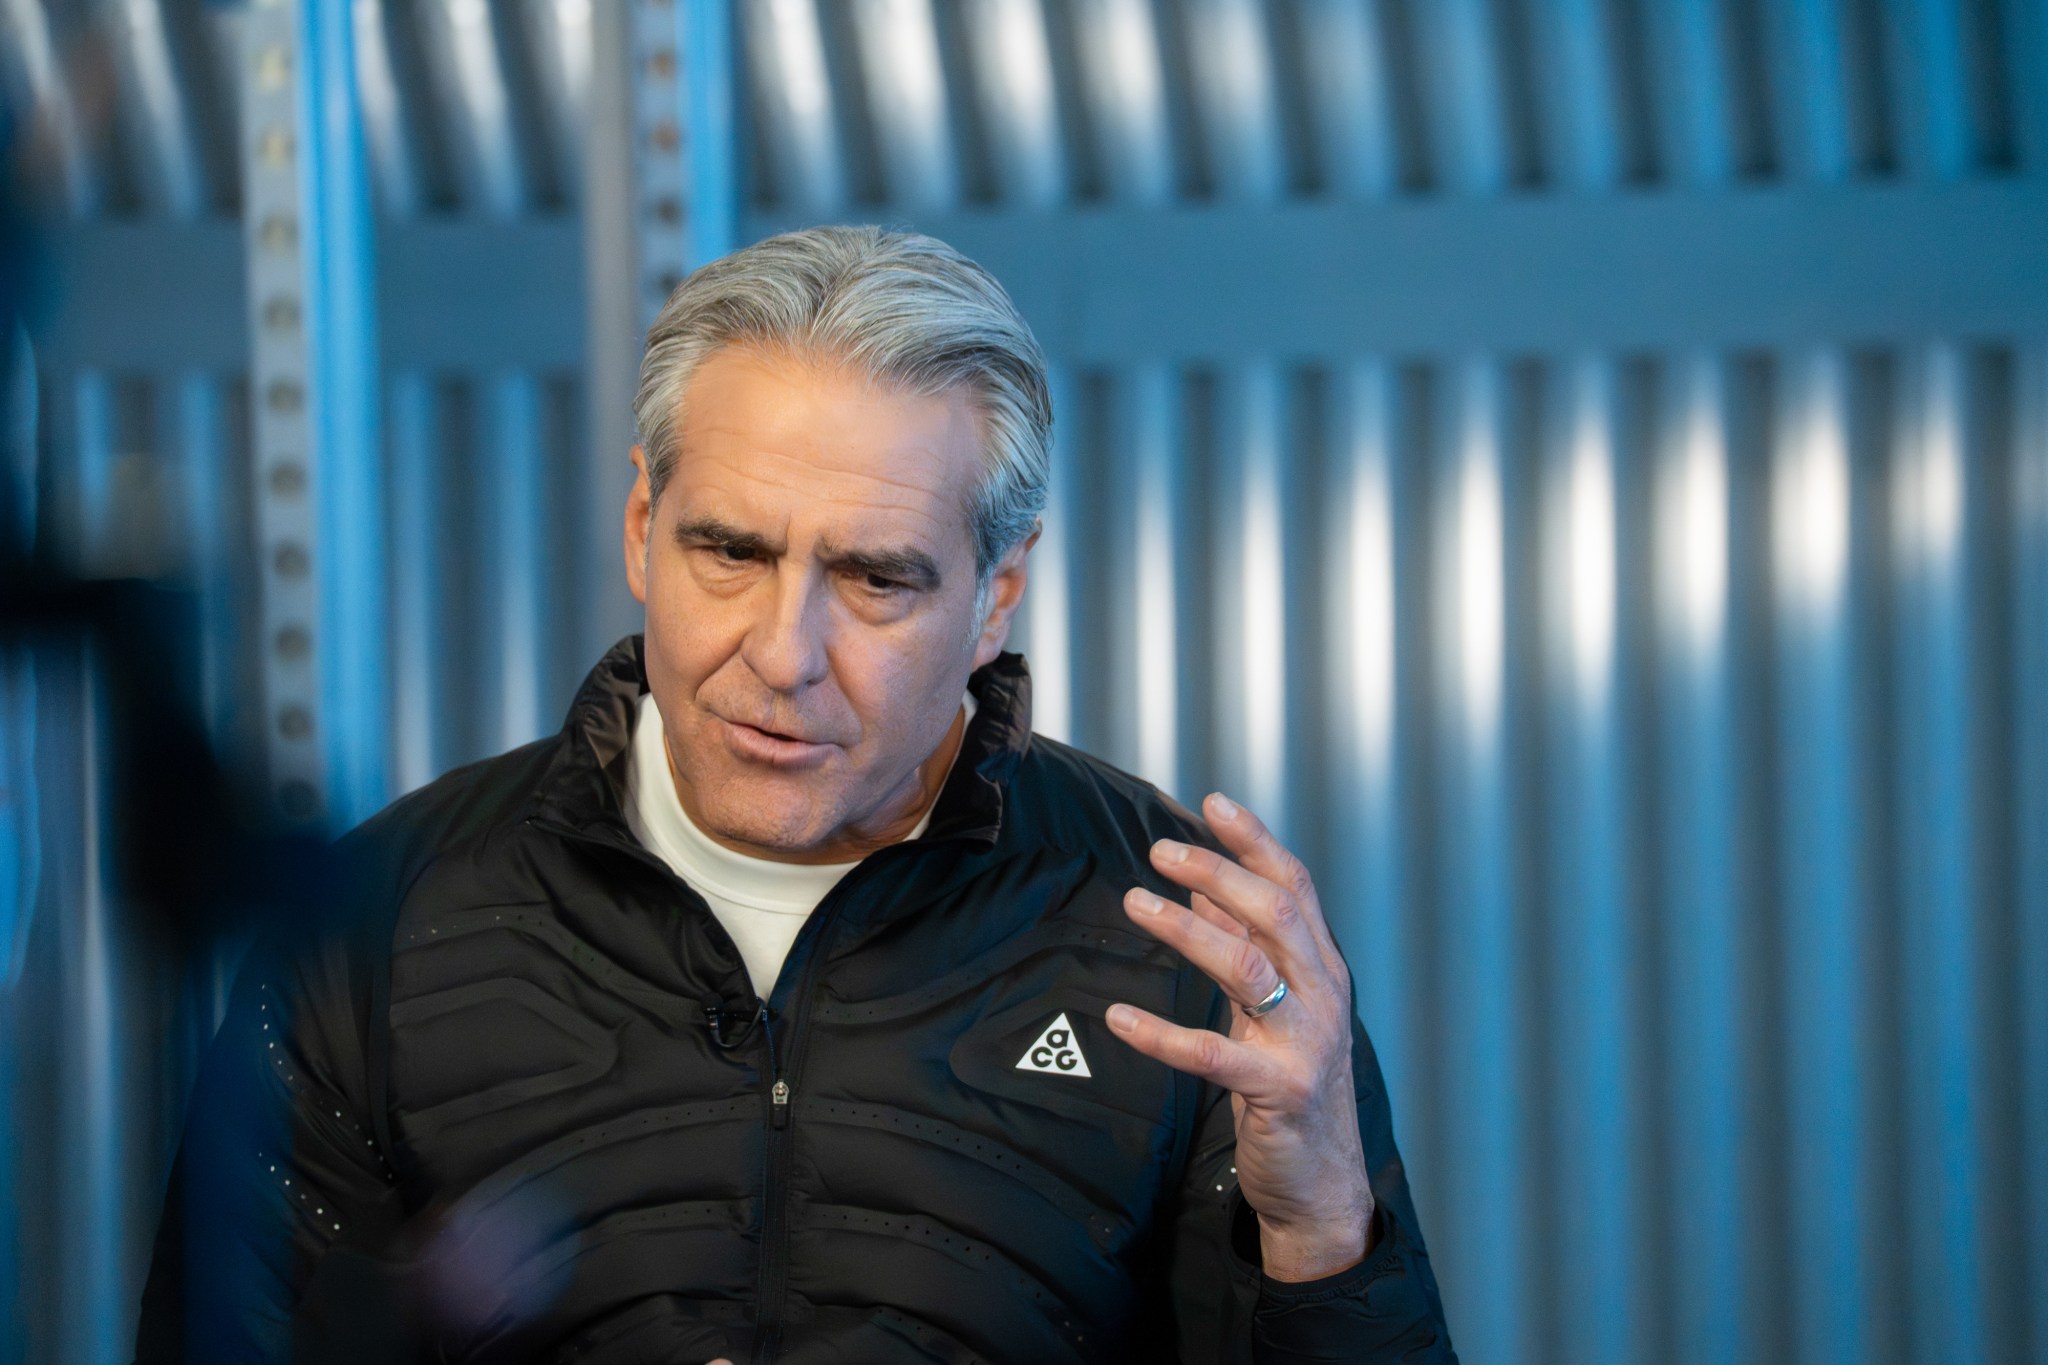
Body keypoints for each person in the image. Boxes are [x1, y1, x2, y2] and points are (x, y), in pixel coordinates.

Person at [136, 226, 1453, 1363]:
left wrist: (1321, 1226)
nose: (782, 653)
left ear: (996, 594)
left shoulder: (1178, 951)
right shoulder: (372, 924)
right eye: (729, 550)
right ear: (642, 530)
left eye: (875, 579)